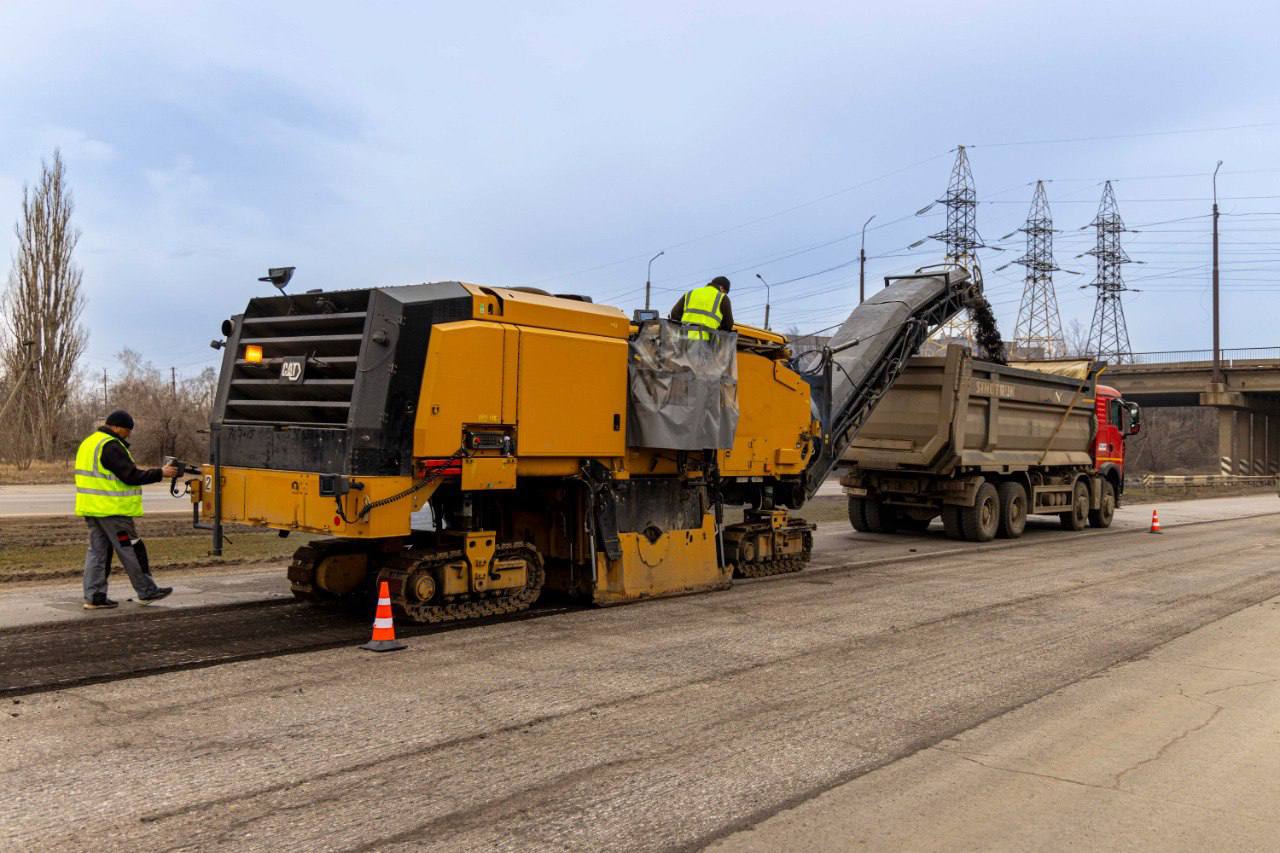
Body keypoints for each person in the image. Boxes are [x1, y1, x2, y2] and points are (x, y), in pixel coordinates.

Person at [75, 410, 177, 609]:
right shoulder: (110, 445)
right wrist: (160, 473)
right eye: (127, 430)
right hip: (114, 512)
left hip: (93, 510)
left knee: (97, 552)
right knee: (131, 548)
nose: (128, 434)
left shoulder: (89, 443)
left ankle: (95, 596)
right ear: (116, 427)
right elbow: (130, 476)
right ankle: (147, 591)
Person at [670, 275, 734, 340]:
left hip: (683, 341)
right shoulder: (722, 297)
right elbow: (728, 324)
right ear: (722, 288)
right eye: (725, 292)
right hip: (706, 343)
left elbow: (674, 314)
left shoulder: (691, 293)